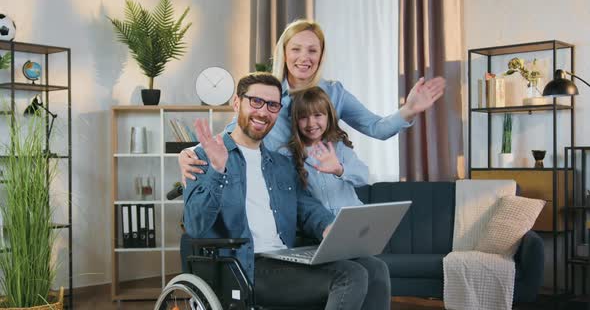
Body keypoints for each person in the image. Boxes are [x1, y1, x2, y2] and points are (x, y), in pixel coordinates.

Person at [183, 72, 391, 309]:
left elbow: (306, 207)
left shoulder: (281, 164)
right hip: (243, 267)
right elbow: (195, 226)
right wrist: (218, 170)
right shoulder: (204, 157)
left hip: (285, 258)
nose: (263, 112)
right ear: (237, 103)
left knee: (375, 268)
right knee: (349, 275)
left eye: (272, 105)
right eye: (256, 101)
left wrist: (327, 226)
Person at [179, 19, 446, 182]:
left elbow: (376, 127)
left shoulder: (335, 93)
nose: (303, 58)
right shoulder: (267, 95)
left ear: (321, 55)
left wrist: (409, 109)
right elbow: (233, 134)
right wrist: (188, 154)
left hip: (321, 200)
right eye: (296, 49)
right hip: (278, 197)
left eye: (312, 50)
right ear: (284, 52)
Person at [282, 86, 368, 215]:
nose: (311, 123)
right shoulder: (287, 154)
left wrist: (339, 169)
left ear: (329, 117)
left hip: (352, 218)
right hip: (318, 226)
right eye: (303, 117)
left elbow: (363, 176)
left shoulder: (339, 146)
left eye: (317, 115)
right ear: (295, 120)